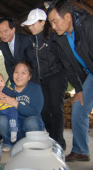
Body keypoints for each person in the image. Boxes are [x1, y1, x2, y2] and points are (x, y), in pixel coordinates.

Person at [47, 0, 93, 162]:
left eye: (54, 21)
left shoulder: (89, 25)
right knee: (79, 108)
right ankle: (81, 150)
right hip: (90, 76)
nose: (53, 26)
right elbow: (68, 65)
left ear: (67, 17)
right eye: (50, 22)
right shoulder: (60, 37)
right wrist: (79, 89)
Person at [21, 8, 68, 150]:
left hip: (57, 77)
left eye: (34, 24)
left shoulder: (53, 37)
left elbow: (63, 58)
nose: (31, 27)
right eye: (29, 25)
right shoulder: (33, 40)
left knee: (56, 110)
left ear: (43, 22)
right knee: (44, 112)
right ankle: (52, 140)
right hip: (42, 80)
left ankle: (59, 143)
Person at [0, 60, 45, 152]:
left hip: (29, 128)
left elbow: (35, 112)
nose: (19, 75)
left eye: (23, 73)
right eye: (16, 72)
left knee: (31, 121)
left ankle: (33, 144)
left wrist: (14, 103)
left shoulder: (35, 88)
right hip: (13, 128)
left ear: (30, 76)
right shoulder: (8, 89)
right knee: (1, 118)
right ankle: (9, 143)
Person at [0, 18, 38, 83]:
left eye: (5, 31)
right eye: (0, 32)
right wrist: (13, 83)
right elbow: (9, 65)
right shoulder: (3, 45)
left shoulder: (26, 40)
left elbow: (33, 64)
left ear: (13, 29)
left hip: (31, 79)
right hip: (18, 81)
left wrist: (33, 84)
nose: (3, 35)